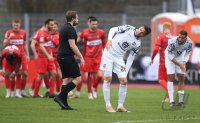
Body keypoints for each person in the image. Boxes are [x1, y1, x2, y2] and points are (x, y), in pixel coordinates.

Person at [100, 25, 151, 112]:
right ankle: (108, 105)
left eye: (143, 32)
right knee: (108, 79)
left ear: (144, 35)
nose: (140, 31)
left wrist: (126, 71)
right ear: (139, 27)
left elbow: (131, 58)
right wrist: (109, 40)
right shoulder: (128, 28)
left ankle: (120, 106)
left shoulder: (138, 44)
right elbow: (113, 29)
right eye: (140, 29)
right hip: (108, 53)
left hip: (119, 58)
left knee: (124, 81)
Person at [54, 10, 84, 110]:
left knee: (66, 80)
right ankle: (60, 96)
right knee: (78, 79)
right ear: (73, 18)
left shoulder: (63, 28)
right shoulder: (71, 29)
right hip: (67, 56)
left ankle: (64, 105)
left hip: (61, 56)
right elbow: (72, 45)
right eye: (77, 18)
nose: (78, 20)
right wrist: (81, 56)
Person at [75, 16, 106, 99]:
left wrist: (106, 55)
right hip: (87, 57)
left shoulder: (101, 33)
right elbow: (76, 42)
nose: (95, 26)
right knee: (86, 75)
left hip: (98, 57)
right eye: (93, 24)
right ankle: (81, 93)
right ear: (89, 23)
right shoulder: (85, 33)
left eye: (96, 24)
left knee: (99, 76)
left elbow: (104, 45)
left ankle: (94, 89)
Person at [165, 30, 192, 107]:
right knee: (171, 77)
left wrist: (184, 62)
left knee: (181, 77)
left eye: (182, 38)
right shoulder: (172, 41)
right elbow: (169, 55)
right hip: (170, 58)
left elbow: (187, 54)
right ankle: (172, 100)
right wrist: (179, 65)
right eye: (179, 37)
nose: (180, 39)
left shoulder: (189, 43)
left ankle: (180, 101)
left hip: (180, 57)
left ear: (186, 38)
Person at [3, 18, 30, 97]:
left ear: (20, 25)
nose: (16, 27)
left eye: (17, 25)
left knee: (24, 73)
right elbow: (4, 44)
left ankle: (20, 91)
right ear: (12, 25)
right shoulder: (8, 32)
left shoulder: (23, 32)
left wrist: (27, 54)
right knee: (8, 74)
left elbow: (24, 44)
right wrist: (9, 38)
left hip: (21, 56)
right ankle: (10, 92)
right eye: (14, 25)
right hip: (10, 56)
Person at [33, 19, 57, 98]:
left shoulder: (48, 33)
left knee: (54, 74)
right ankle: (35, 94)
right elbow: (41, 46)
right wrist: (48, 55)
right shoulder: (42, 33)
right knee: (40, 75)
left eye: (53, 25)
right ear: (47, 25)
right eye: (51, 25)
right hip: (43, 58)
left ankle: (51, 93)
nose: (53, 26)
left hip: (49, 58)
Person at [151, 22, 173, 102]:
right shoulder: (174, 38)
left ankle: (170, 93)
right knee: (169, 81)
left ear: (163, 28)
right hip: (173, 62)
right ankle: (168, 98)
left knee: (161, 80)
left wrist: (152, 58)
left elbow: (156, 49)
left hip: (164, 62)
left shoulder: (161, 37)